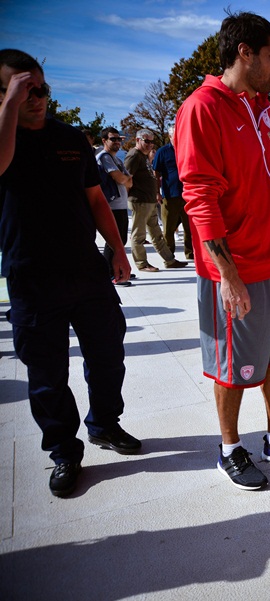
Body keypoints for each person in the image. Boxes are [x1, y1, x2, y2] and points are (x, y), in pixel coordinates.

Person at [175, 11, 270, 491]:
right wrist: (228, 274)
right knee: (233, 366)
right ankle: (229, 448)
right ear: (244, 52)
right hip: (237, 267)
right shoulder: (203, 108)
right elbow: (198, 197)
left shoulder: (260, 106)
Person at [0, 48, 141, 497]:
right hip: (31, 277)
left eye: (41, 88)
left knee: (108, 353)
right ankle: (64, 450)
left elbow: (97, 199)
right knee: (47, 375)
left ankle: (103, 423)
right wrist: (9, 108)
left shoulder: (71, 138)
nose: (36, 97)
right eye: (24, 90)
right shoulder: (4, 137)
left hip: (84, 270)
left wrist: (117, 250)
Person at [125, 129, 187, 272]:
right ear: (137, 140)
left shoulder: (143, 156)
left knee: (156, 233)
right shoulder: (134, 156)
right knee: (138, 234)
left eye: (152, 142)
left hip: (149, 201)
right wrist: (127, 198)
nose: (150, 145)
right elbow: (127, 178)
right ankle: (141, 263)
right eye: (146, 141)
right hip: (139, 201)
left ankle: (169, 260)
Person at [96, 127, 134, 285]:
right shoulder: (104, 157)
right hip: (110, 205)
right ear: (104, 140)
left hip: (120, 205)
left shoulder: (116, 159)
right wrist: (124, 179)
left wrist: (125, 179)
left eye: (119, 139)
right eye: (113, 139)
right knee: (113, 241)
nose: (117, 142)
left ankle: (116, 270)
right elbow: (119, 177)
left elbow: (129, 181)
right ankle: (110, 274)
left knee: (121, 239)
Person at [153, 126, 193, 261]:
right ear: (170, 136)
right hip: (170, 195)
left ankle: (190, 253)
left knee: (189, 228)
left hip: (187, 194)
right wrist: (157, 192)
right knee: (168, 229)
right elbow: (156, 173)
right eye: (176, 135)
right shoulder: (162, 152)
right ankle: (169, 256)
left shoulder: (187, 149)